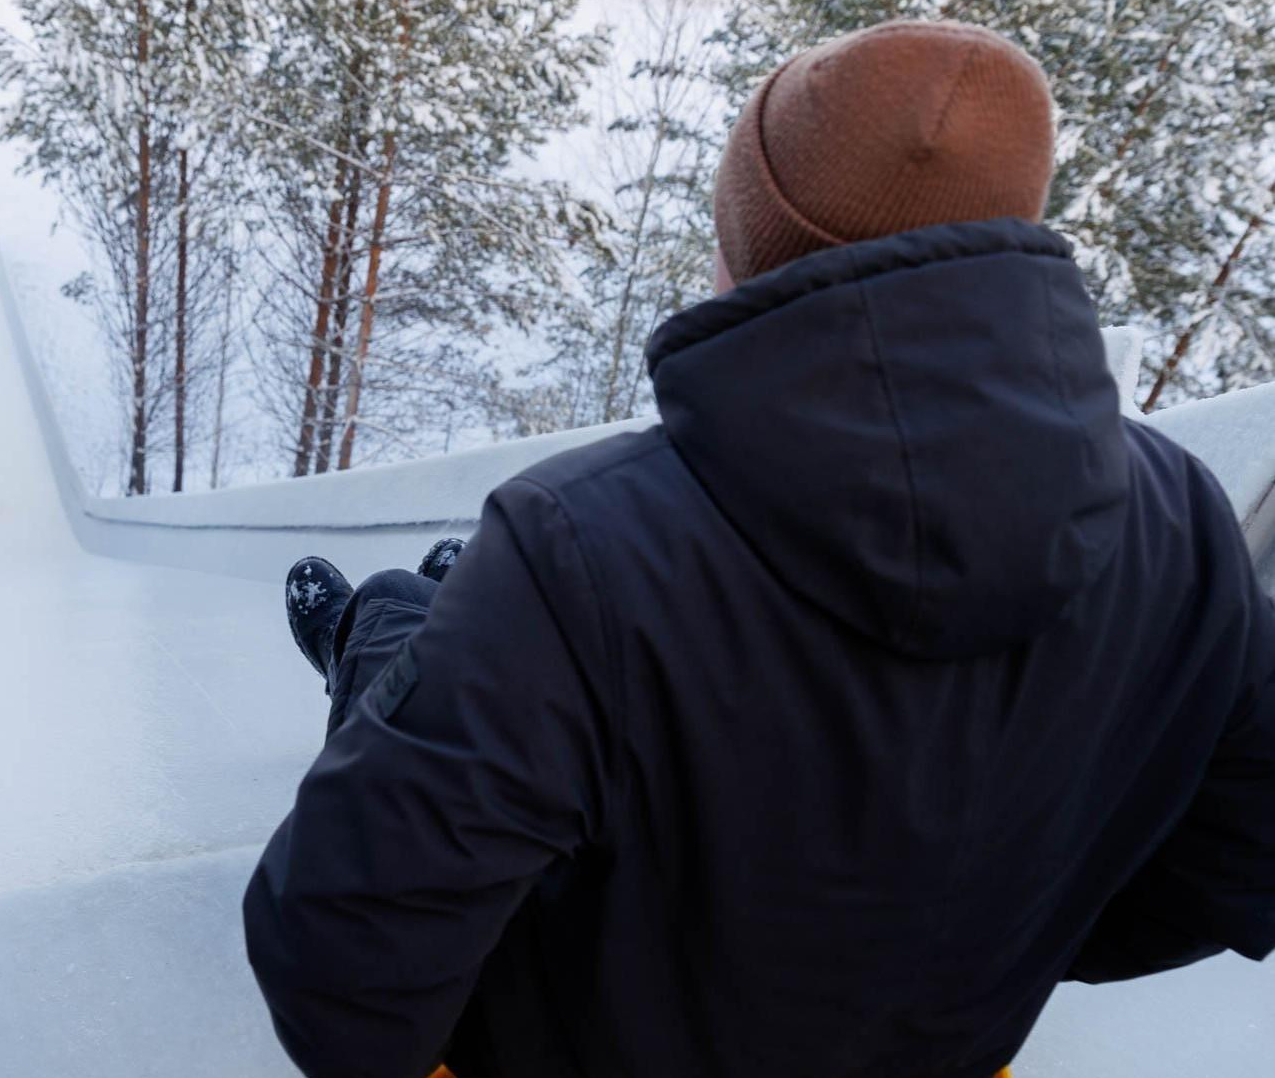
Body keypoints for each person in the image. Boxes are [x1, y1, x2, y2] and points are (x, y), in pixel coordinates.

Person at [243, 19, 1275, 1078]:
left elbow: (342, 974)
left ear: (752, 243)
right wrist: (978, 963)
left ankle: (367, 638)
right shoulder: (1184, 520)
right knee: (491, 645)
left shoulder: (581, 544)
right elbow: (1243, 861)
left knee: (398, 621)